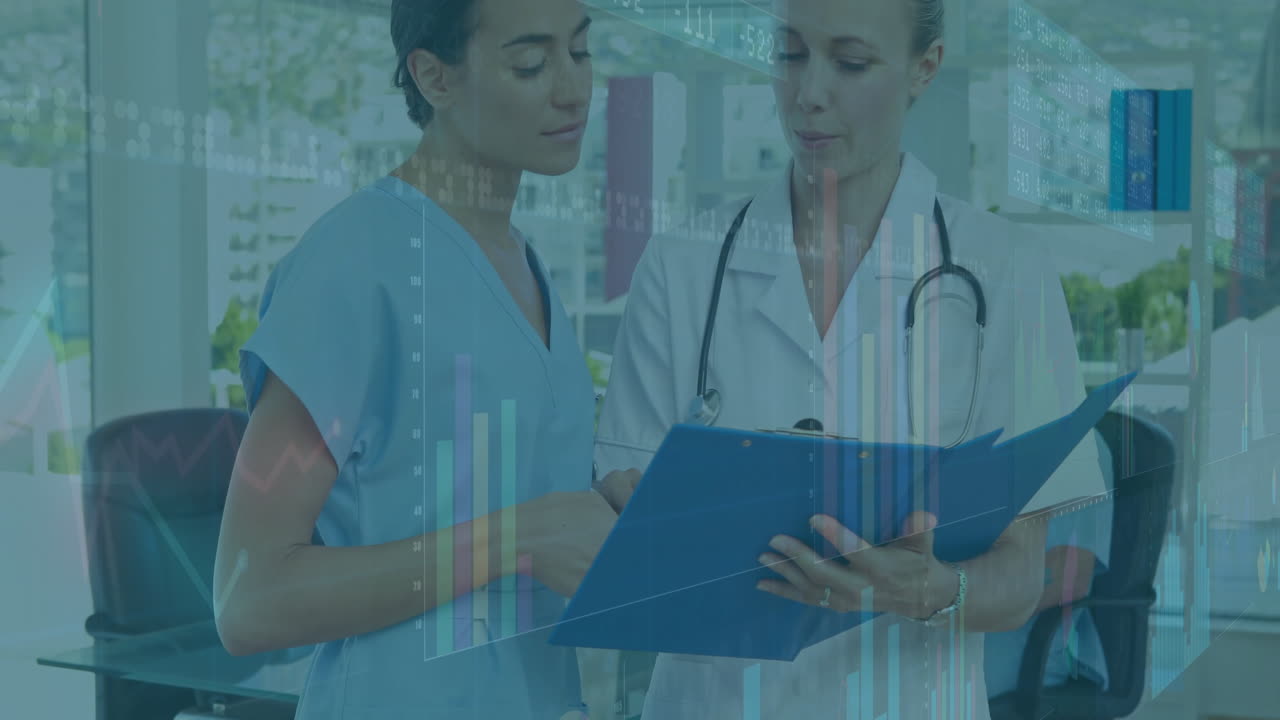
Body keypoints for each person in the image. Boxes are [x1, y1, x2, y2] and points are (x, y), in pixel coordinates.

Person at [593, 0, 1108, 717]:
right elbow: (624, 530)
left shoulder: (1009, 270)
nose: (810, 92)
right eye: (790, 53)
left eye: (852, 62)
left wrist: (933, 592)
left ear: (923, 68)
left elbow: (1020, 580)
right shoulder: (683, 268)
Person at [213, 1, 633, 717]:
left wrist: (595, 516)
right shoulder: (352, 267)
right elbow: (250, 602)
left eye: (582, 52)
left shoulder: (524, 264)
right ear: (433, 77)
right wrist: (519, 537)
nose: (571, 88)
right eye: (530, 63)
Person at [985, 439, 1115, 704]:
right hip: (959, 619)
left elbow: (1063, 584)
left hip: (1023, 645)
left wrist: (949, 599)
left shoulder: (1077, 448)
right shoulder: (973, 441)